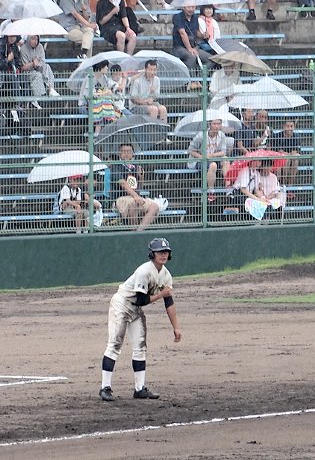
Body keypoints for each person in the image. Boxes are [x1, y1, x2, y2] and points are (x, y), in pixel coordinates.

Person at [99, 237, 181, 402]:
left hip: (135, 309)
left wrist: (176, 327)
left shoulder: (166, 275)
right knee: (115, 344)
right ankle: (105, 388)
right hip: (122, 304)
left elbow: (169, 302)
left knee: (140, 348)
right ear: (152, 254)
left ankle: (139, 389)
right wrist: (161, 294)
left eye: (166, 252)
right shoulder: (144, 271)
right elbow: (141, 300)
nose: (163, 255)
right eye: (159, 252)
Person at [110, 143, 160, 231]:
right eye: (123, 151)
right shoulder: (116, 167)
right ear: (119, 153)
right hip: (122, 198)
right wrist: (135, 196)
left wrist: (141, 177)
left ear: (133, 153)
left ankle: (139, 231)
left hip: (136, 197)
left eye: (129, 151)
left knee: (154, 206)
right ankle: (133, 231)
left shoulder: (136, 166)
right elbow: (123, 183)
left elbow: (139, 187)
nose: (126, 153)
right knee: (133, 203)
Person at [187, 118, 232, 200]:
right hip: (200, 160)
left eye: (219, 124)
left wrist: (211, 155)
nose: (217, 126)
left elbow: (223, 152)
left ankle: (228, 187)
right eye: (214, 124)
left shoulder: (222, 135)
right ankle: (211, 191)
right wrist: (202, 157)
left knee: (226, 159)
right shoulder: (201, 136)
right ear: (209, 124)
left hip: (213, 158)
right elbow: (190, 150)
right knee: (213, 165)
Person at [171, 3, 213, 79]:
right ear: (184, 7)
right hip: (179, 47)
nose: (191, 9)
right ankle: (192, 80)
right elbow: (182, 33)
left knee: (211, 59)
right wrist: (189, 48)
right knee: (191, 57)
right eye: (189, 7)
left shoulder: (195, 17)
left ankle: (200, 79)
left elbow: (196, 33)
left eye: (193, 7)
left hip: (194, 46)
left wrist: (203, 35)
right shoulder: (177, 17)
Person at [20, 35, 60, 105]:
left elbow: (42, 61)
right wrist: (33, 63)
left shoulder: (40, 47)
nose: (35, 41)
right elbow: (24, 67)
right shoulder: (23, 48)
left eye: (36, 39)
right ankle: (40, 98)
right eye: (33, 39)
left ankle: (51, 89)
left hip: (38, 67)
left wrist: (37, 63)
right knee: (37, 75)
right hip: (27, 72)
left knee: (47, 66)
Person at [271, 119, 301, 198]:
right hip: (278, 159)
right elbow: (279, 152)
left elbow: (296, 151)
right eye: (288, 126)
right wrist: (289, 154)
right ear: (284, 127)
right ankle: (283, 185)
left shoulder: (296, 136)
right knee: (286, 160)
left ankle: (290, 186)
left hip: (290, 159)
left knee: (295, 160)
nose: (289, 128)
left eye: (291, 126)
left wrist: (289, 154)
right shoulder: (277, 136)